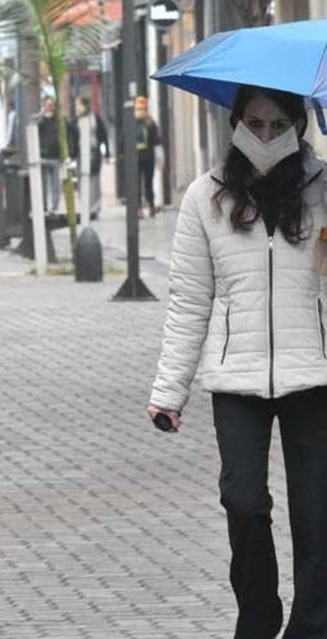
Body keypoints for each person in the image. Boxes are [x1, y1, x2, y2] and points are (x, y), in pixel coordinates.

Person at [148, 84, 327, 639]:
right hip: (236, 375)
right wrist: (168, 391)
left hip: (316, 374)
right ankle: (258, 616)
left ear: (299, 126)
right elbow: (188, 298)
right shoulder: (205, 196)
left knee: (317, 516)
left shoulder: (326, 188)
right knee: (242, 502)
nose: (266, 136)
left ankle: (312, 625)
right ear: (236, 124)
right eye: (256, 123)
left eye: (278, 126)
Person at [70, 96, 110, 218]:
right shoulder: (75, 121)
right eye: (76, 105)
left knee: (94, 179)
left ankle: (95, 207)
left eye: (79, 105)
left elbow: (103, 136)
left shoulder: (96, 119)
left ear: (85, 106)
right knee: (82, 179)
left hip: (94, 152)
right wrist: (72, 154)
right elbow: (73, 139)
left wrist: (107, 152)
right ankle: (85, 206)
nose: (77, 107)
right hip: (80, 154)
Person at [135, 95, 162, 216]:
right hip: (135, 158)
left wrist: (159, 155)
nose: (140, 112)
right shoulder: (132, 123)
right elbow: (123, 139)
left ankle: (151, 205)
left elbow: (157, 140)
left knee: (148, 182)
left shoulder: (150, 123)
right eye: (138, 109)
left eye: (142, 109)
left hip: (148, 156)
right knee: (136, 184)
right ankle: (138, 207)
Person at [36, 96, 64, 213]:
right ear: (44, 106)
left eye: (52, 105)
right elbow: (35, 129)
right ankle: (44, 205)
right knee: (44, 183)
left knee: (55, 183)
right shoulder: (40, 119)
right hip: (43, 156)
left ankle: (55, 205)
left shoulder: (58, 120)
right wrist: (43, 117)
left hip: (55, 156)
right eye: (48, 105)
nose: (50, 108)